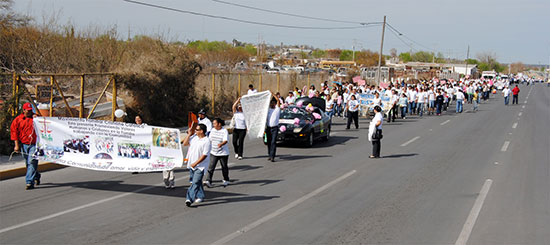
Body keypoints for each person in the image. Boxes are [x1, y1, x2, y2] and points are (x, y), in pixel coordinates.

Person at [11, 102, 41, 190]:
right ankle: (36, 175)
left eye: (30, 111)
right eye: (27, 111)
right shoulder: (18, 120)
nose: (29, 112)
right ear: (23, 110)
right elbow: (14, 133)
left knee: (31, 162)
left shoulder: (35, 118)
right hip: (24, 145)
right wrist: (16, 145)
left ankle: (29, 182)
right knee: (28, 164)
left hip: (34, 145)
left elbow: (44, 124)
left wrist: (37, 118)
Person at [183, 123, 211, 207]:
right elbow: (185, 143)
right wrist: (189, 134)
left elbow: (204, 155)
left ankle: (189, 199)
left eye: (197, 130)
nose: (195, 131)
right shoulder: (194, 138)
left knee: (195, 182)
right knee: (197, 182)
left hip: (200, 166)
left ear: (202, 131)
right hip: (191, 165)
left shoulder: (207, 141)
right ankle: (200, 195)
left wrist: (196, 163)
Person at [204, 118, 230, 188]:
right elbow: (209, 140)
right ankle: (208, 180)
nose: (213, 125)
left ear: (219, 124)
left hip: (223, 153)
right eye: (213, 124)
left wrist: (221, 144)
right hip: (213, 152)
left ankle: (226, 179)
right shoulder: (213, 130)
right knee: (211, 167)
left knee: (224, 167)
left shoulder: (224, 131)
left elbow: (225, 140)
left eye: (215, 123)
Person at [265, 92, 281, 162]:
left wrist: (272, 94)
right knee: (269, 142)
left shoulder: (277, 109)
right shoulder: (268, 110)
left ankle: (272, 156)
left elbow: (278, 101)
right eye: (271, 103)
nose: (272, 104)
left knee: (273, 142)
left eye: (273, 103)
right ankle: (269, 154)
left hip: (275, 128)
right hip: (268, 128)